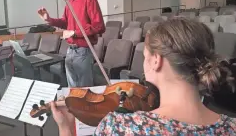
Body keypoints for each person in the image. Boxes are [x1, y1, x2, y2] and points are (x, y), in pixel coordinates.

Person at [50, 18, 236, 135]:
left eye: (144, 56)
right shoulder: (231, 127)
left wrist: (65, 128)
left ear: (156, 60)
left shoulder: (123, 127)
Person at [38, 0, 105, 87]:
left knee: (85, 91)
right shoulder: (70, 0)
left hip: (84, 51)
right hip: (70, 51)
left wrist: (74, 33)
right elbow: (65, 22)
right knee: (72, 90)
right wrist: (49, 20)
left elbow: (99, 26)